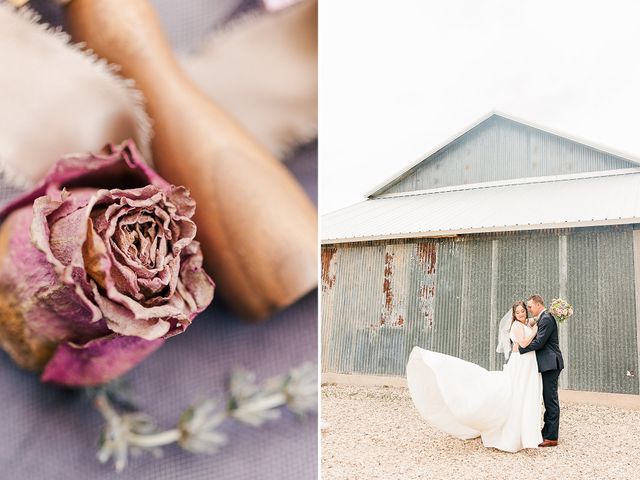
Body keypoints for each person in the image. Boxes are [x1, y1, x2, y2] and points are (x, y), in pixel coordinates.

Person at [406, 299, 546, 452]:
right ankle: (508, 431)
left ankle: (521, 431)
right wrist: (534, 331)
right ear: (514, 314)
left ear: (526, 311)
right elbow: (524, 344)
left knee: (520, 395)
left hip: (526, 363)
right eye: (517, 312)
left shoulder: (526, 323)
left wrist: (544, 317)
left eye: (522, 311)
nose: (520, 314)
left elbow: (537, 318)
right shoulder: (517, 325)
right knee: (514, 394)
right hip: (520, 362)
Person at [519, 294, 564, 447]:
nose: (529, 309)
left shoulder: (546, 319)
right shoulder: (543, 318)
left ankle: (551, 437)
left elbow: (539, 343)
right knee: (547, 398)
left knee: (550, 399)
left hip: (551, 364)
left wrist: (520, 349)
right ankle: (546, 432)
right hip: (547, 364)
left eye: (530, 306)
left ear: (538, 304)